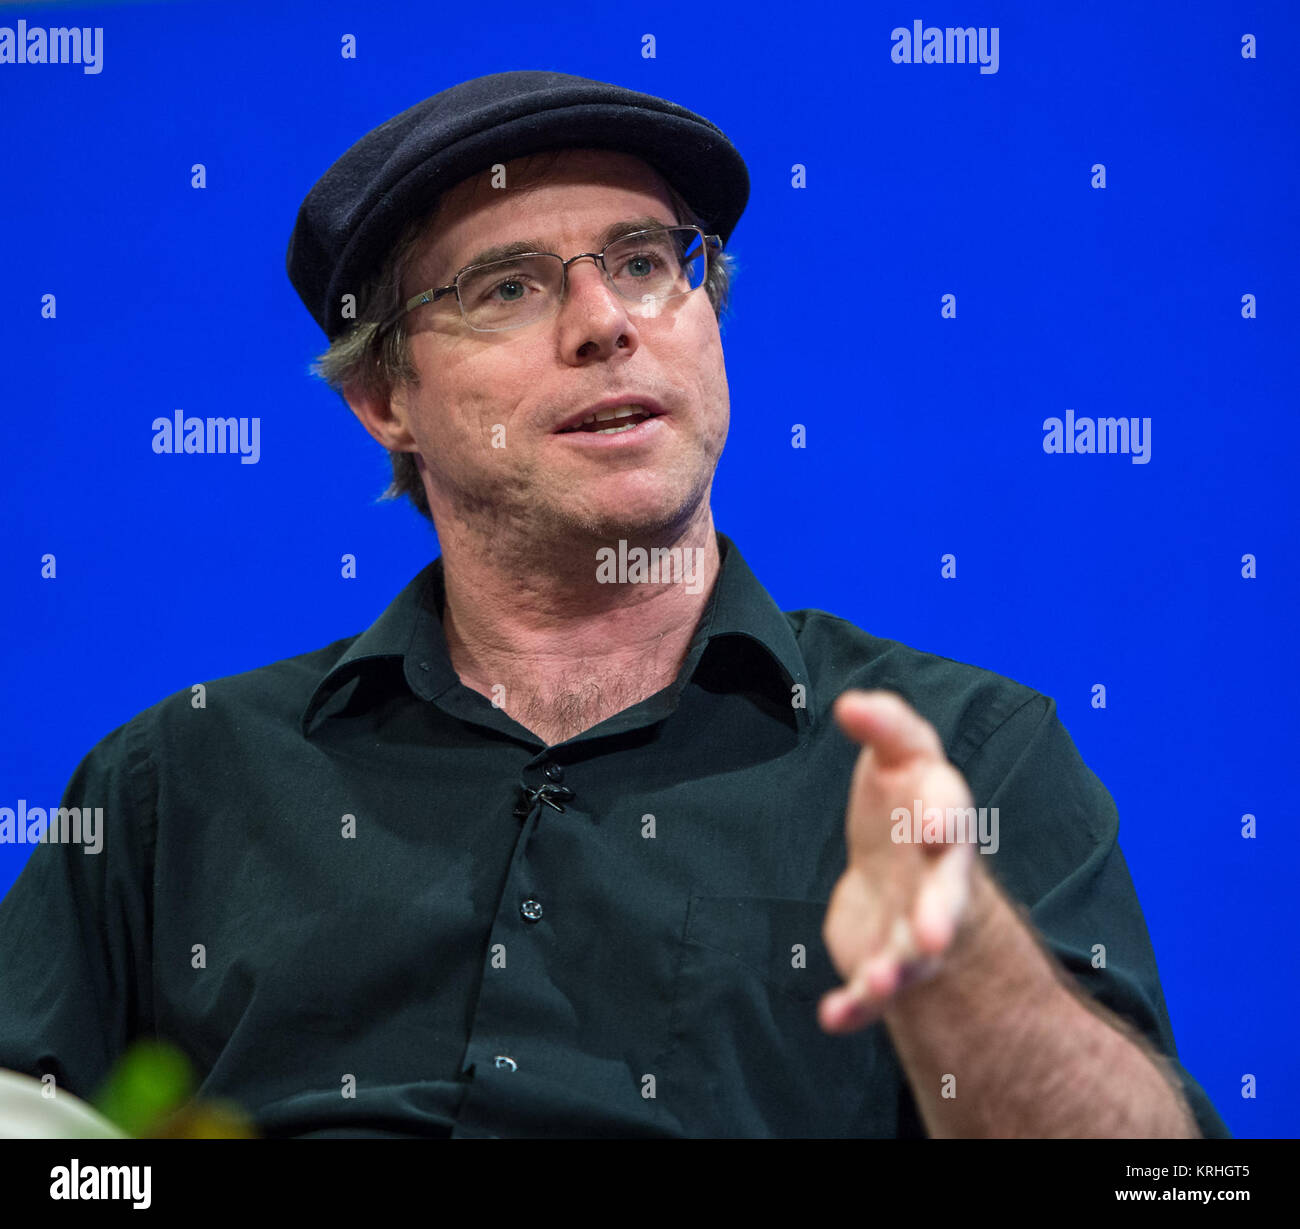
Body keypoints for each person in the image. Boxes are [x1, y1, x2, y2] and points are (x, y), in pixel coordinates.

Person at [0, 69, 1227, 1139]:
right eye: (507, 288)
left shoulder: (960, 759)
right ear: (385, 400)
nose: (606, 325)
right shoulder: (180, 783)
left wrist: (970, 972)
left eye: (647, 263)